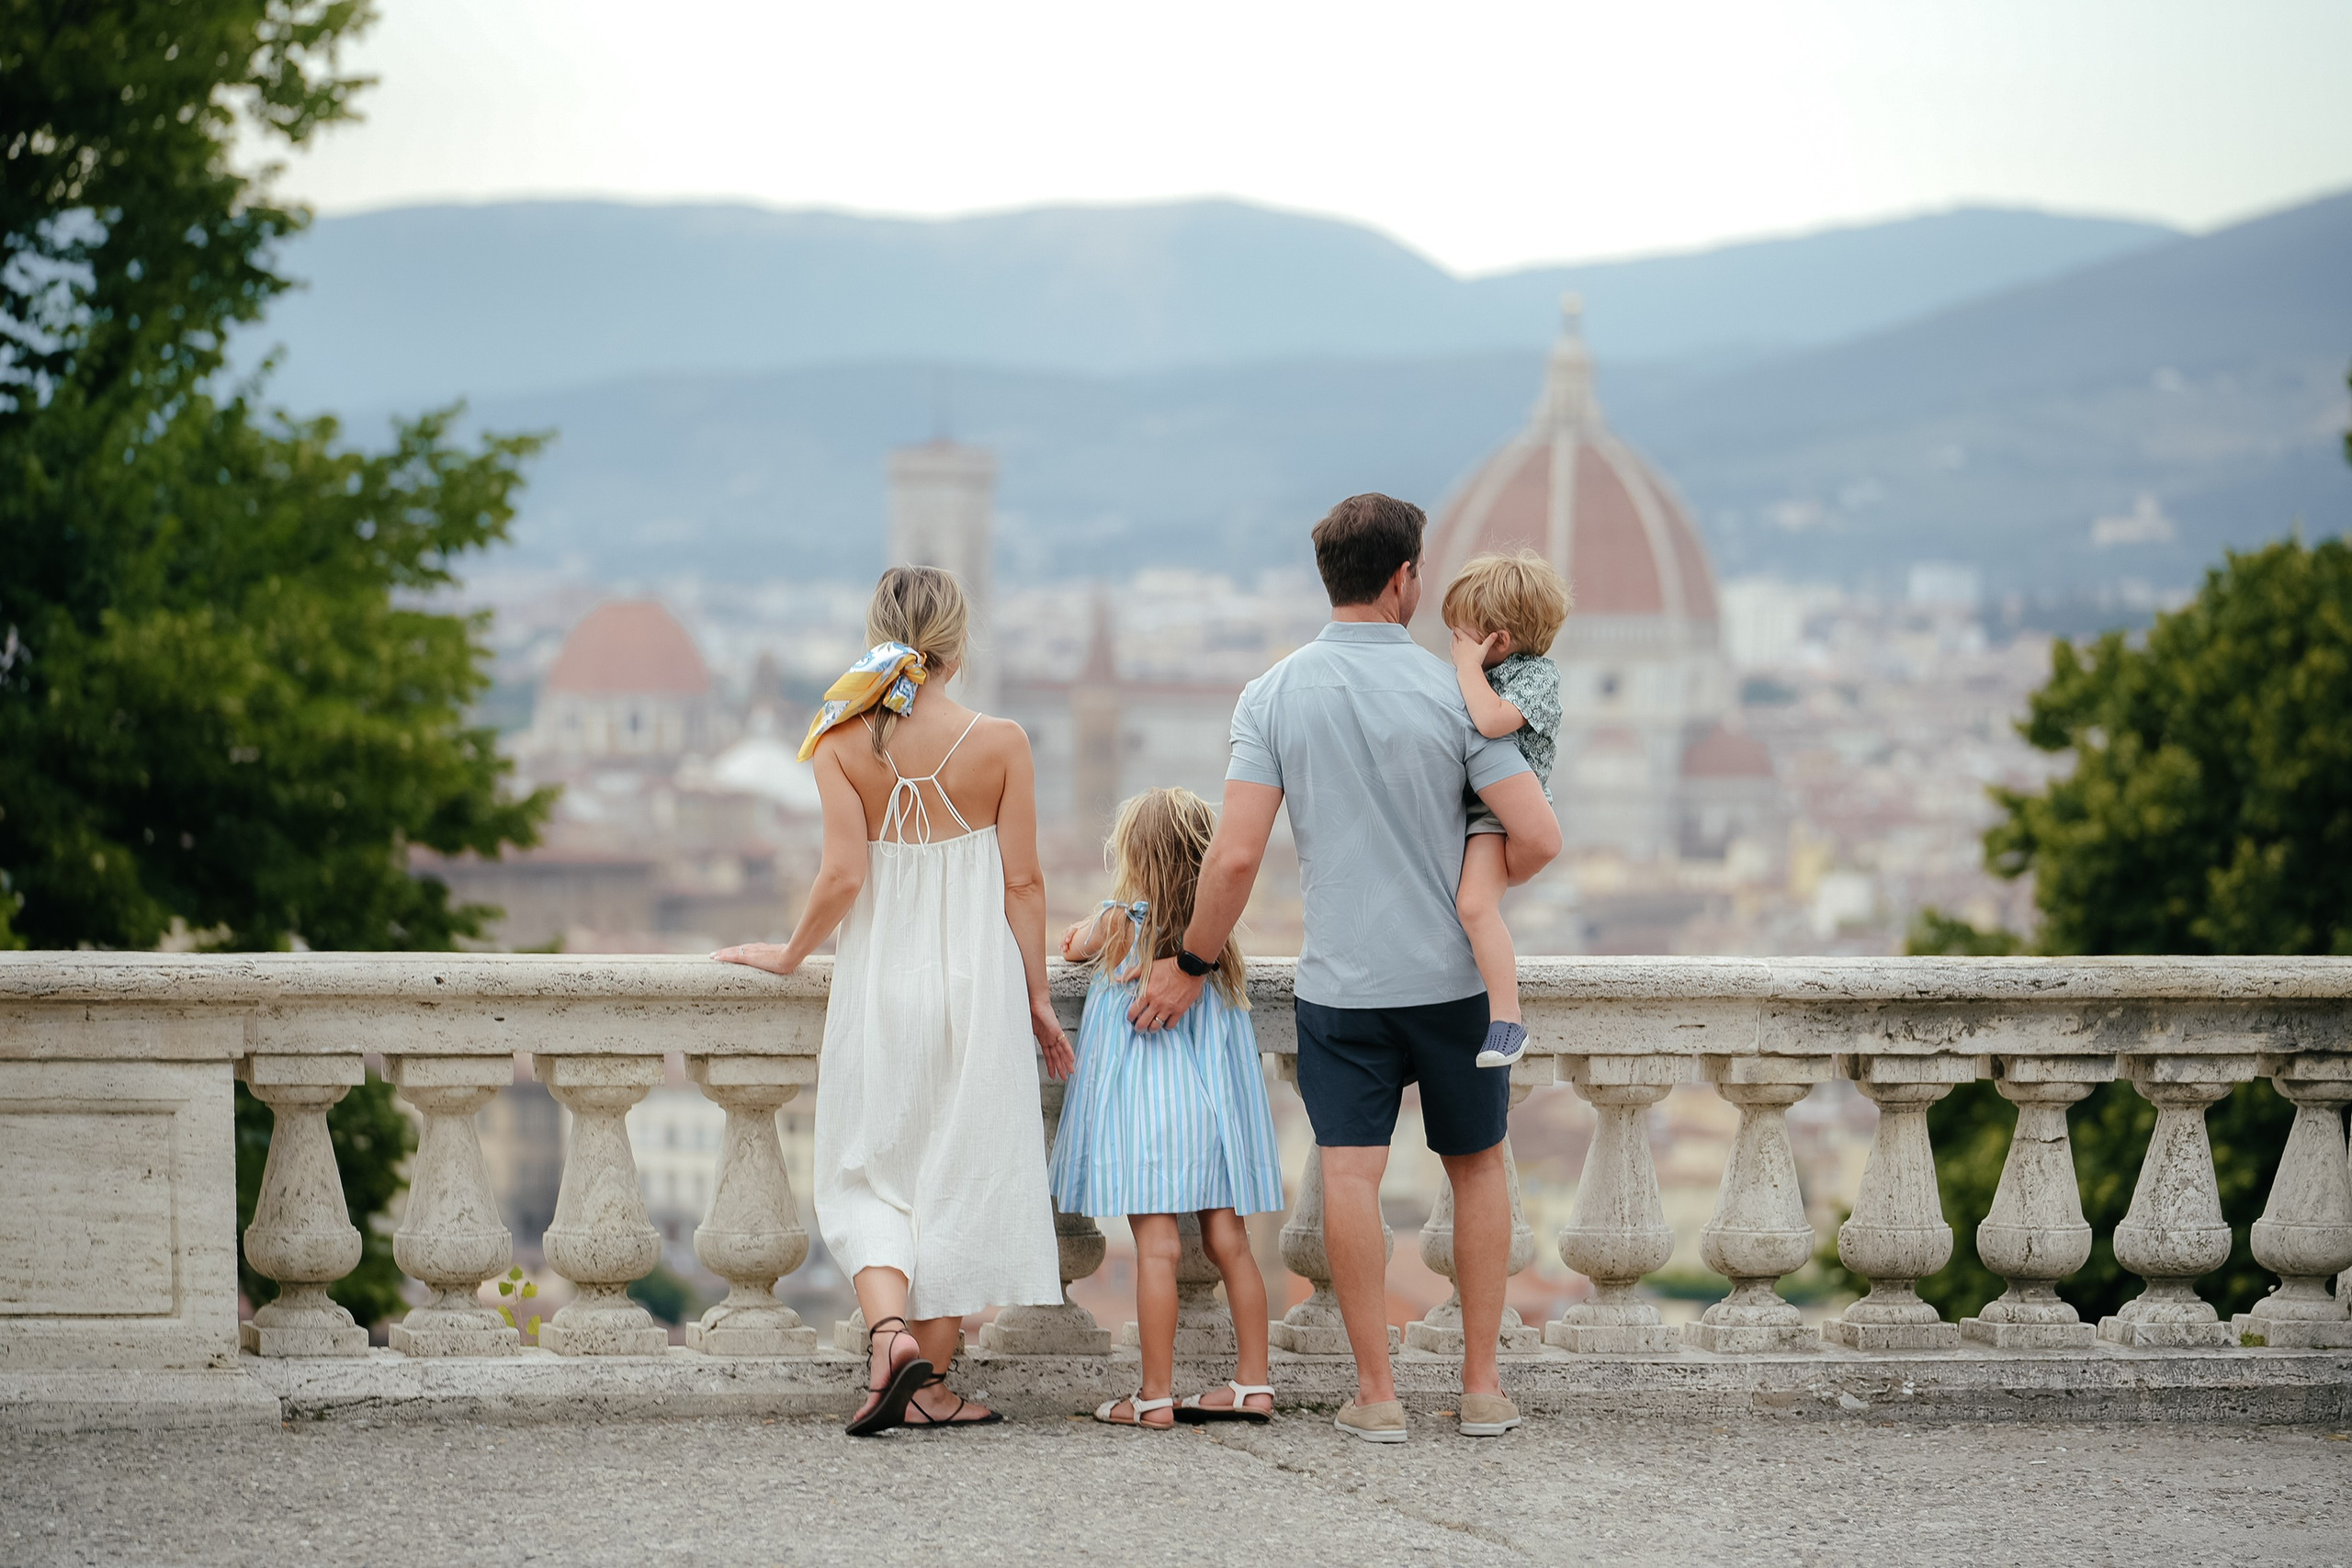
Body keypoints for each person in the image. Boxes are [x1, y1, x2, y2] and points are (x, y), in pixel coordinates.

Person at [1128, 493, 1562, 1444]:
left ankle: (1375, 1395)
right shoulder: (1458, 693)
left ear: (1327, 578)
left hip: (1344, 988)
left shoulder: (1273, 694)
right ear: (1406, 580)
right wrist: (1477, 887)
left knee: (1352, 1181)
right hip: (1452, 983)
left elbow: (1234, 857)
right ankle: (1482, 1388)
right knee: (1478, 1171)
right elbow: (1534, 832)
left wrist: (1191, 962)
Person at [716, 565, 1070, 1438]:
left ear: (877, 632)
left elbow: (843, 874)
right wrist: (1035, 994)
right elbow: (1023, 882)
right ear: (957, 641)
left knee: (868, 1164)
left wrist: (792, 952)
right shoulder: (1003, 741)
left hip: (880, 977)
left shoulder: (840, 740)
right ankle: (932, 1383)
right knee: (960, 1171)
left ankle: (889, 1338)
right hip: (977, 984)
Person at [1050, 788, 1286, 1430]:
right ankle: (1254, 1382)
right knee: (1230, 1243)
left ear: (1131, 854)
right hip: (1213, 1116)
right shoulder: (1217, 947)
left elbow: (1069, 945)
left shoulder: (1121, 919)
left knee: (1157, 1246)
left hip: (1150, 1118)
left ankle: (1154, 1394)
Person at [1442, 551, 1570, 1068]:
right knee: (1467, 906)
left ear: (1500, 640)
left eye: (1462, 633)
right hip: (1471, 811)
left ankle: (1508, 1021)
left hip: (1501, 816)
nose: (1453, 642)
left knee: (1474, 905)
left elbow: (1492, 723)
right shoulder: (1484, 672)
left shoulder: (1538, 677)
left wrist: (1468, 670)